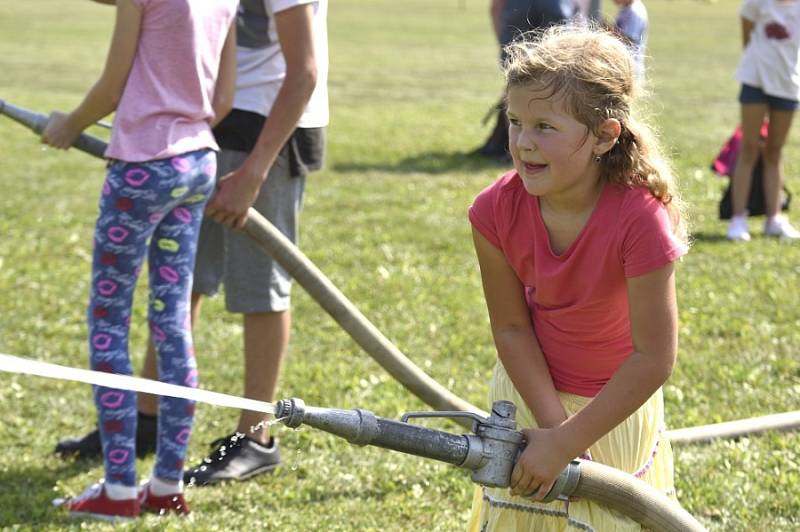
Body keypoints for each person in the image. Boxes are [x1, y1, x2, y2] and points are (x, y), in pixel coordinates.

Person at [55, 0, 329, 487]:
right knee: (182, 288)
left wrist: (254, 172)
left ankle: (255, 438)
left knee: (259, 289)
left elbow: (303, 70)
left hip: (268, 131)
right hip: (202, 128)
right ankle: (145, 418)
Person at [466, 25, 689, 530]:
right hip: (530, 397)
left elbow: (654, 358)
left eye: (545, 126)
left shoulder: (640, 218)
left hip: (613, 409)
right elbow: (511, 329)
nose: (523, 142)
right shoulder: (493, 211)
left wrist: (569, 442)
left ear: (605, 136)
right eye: (516, 121)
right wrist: (553, 433)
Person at [42, 0, 237, 520]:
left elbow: (111, 87)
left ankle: (120, 488)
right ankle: (167, 484)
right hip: (197, 164)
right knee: (172, 322)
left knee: (109, 319)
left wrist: (70, 124)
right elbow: (223, 98)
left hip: (140, 173)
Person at [726, 0, 800, 241]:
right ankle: (738, 219)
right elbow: (746, 32)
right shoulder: (758, 2)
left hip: (788, 85)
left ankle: (774, 219)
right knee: (749, 148)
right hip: (754, 80)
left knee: (775, 152)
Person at [473, 0, 574, 163]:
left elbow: (496, 8)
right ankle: (557, 148)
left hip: (519, 15)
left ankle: (515, 152)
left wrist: (505, 43)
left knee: (514, 87)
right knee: (559, 84)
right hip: (554, 11)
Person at [612, 0, 648, 81]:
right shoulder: (626, 9)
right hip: (624, 66)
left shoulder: (635, 12)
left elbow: (628, 40)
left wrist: (608, 33)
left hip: (631, 68)